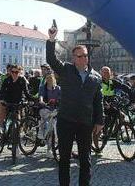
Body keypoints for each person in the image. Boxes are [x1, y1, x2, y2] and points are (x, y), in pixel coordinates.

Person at [46, 26, 104, 186]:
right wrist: (52, 40)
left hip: (86, 123)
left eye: (85, 55)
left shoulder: (96, 77)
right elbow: (51, 59)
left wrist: (100, 121)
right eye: (80, 56)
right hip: (66, 121)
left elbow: (98, 101)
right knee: (64, 159)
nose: (84, 58)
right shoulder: (66, 70)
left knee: (85, 160)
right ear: (74, 58)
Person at [0, 64, 33, 134]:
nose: (14, 74)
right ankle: (0, 127)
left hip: (18, 100)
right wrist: (0, 99)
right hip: (8, 100)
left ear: (19, 73)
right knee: (2, 108)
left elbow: (26, 93)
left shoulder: (22, 80)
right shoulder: (7, 80)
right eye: (12, 72)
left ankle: (17, 134)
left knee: (18, 115)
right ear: (10, 72)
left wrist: (33, 100)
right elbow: (2, 91)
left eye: (16, 72)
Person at [38, 73, 61, 158]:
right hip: (45, 108)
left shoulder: (58, 88)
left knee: (52, 129)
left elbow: (61, 97)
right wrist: (41, 101)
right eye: (48, 79)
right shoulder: (43, 88)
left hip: (55, 109)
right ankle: (41, 131)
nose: (50, 80)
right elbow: (41, 96)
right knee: (46, 120)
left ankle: (49, 150)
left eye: (51, 79)